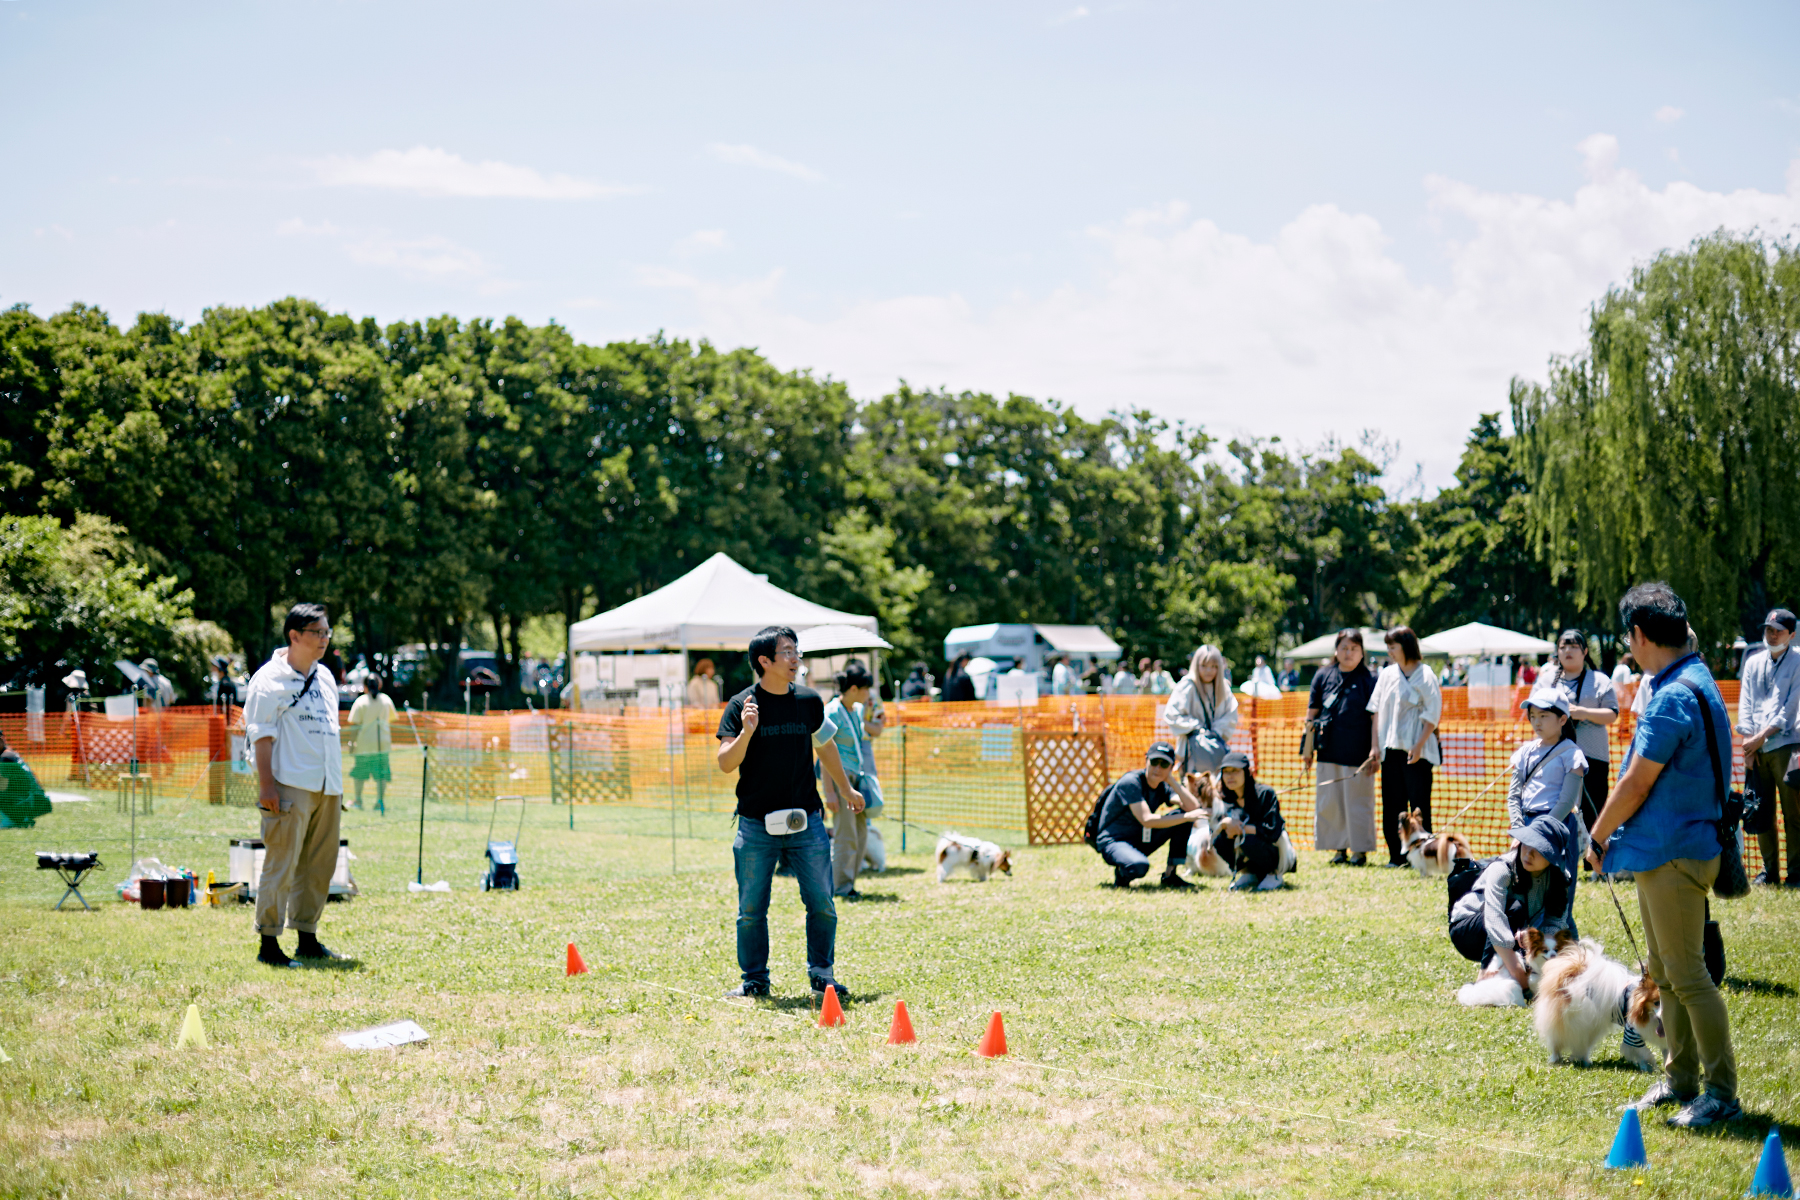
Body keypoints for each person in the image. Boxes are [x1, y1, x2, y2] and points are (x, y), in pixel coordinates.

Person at [1587, 582, 1739, 1128]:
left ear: (1640, 635)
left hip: (1675, 854)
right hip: (1670, 853)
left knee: (1689, 977)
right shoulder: (1693, 680)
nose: (1628, 648)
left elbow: (1634, 784)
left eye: (1628, 638)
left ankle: (1720, 1093)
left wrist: (1597, 835)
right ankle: (1680, 1081)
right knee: (1666, 976)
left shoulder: (1674, 693)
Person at [716, 625, 863, 1001]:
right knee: (751, 909)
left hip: (807, 821)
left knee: (822, 904)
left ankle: (822, 975)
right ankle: (754, 981)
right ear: (764, 661)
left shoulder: (810, 701)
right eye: (788, 652)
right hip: (755, 824)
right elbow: (725, 763)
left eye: (797, 651)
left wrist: (846, 789)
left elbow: (826, 747)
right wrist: (748, 732)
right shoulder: (741, 704)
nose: (796, 658)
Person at [241, 603, 345, 968]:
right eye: (317, 632)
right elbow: (261, 736)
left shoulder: (326, 677)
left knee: (319, 866)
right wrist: (267, 787)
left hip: (327, 786)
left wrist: (335, 784)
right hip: (288, 784)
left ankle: (308, 938)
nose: (324, 639)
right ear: (294, 635)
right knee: (281, 865)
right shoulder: (268, 679)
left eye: (327, 632)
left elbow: (329, 731)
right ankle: (269, 944)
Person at [1448, 815, 1572, 983]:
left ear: (1553, 856)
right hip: (1468, 930)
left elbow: (1555, 923)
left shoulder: (1560, 878)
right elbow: (1494, 918)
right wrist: (1517, 971)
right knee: (1516, 907)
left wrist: (1533, 938)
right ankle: (1485, 977)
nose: (1529, 852)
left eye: (1539, 848)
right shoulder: (1502, 869)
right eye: (1526, 843)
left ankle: (1505, 974)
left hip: (1509, 928)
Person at [1507, 688, 1589, 930]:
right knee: (1525, 898)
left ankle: (1571, 960)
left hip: (1559, 829)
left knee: (1559, 904)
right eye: (1533, 716)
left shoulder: (1572, 754)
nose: (1536, 722)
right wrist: (1520, 829)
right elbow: (1513, 796)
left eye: (1544, 716)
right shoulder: (1524, 752)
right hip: (1527, 828)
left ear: (1563, 719)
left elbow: (1566, 802)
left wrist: (1537, 835)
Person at [1366, 626, 1441, 868]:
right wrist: (1375, 746)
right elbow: (1375, 710)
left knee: (1419, 804)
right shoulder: (1387, 674)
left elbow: (1433, 714)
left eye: (1393, 646)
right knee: (1392, 804)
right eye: (1388, 646)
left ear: (1406, 646)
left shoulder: (1426, 674)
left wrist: (1418, 746)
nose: (1389, 650)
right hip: (1390, 749)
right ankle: (1396, 856)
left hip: (1418, 750)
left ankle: (1424, 855)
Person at [1736, 608, 1800, 887]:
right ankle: (1769, 872)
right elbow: (1745, 704)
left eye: (1778, 631)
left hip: (1788, 744)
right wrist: (1749, 746)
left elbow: (1791, 707)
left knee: (1793, 812)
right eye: (1768, 630)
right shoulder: (1752, 662)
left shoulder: (1798, 662)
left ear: (1792, 634)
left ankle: (1796, 873)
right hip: (1756, 747)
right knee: (1759, 811)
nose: (1772, 635)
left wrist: (1761, 737)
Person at [1305, 629, 1378, 866]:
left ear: (1361, 652)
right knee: (1331, 803)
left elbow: (1375, 718)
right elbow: (1311, 714)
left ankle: (1359, 852)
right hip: (1327, 751)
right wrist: (1307, 748)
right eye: (1344, 648)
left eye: (1354, 648)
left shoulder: (1369, 679)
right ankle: (1339, 850)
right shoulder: (1322, 676)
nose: (1348, 653)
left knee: (1358, 803)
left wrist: (1375, 750)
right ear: (1336, 649)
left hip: (1358, 754)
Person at [1091, 741, 1206, 888]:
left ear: (1171, 767)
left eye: (1164, 764)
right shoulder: (1131, 782)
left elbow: (1192, 807)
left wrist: (1171, 780)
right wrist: (1187, 817)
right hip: (1113, 841)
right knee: (1139, 866)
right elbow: (1146, 820)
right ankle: (1121, 875)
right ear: (1146, 761)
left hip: (1138, 837)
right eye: (1154, 762)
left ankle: (1170, 875)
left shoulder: (1162, 784)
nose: (1157, 768)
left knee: (1183, 816)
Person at [1543, 630, 1619, 842]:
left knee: (1594, 807)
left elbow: (1612, 714)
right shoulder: (1547, 680)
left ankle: (1595, 860)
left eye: (1574, 646)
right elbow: (1533, 713)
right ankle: (1557, 857)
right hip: (1555, 756)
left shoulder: (1600, 680)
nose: (1568, 651)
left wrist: (1582, 713)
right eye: (1563, 646)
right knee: (1554, 806)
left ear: (1585, 651)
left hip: (1593, 756)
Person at [820, 661, 884, 900]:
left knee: (860, 833)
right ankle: (840, 887)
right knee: (845, 834)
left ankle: (850, 883)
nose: (869, 694)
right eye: (866, 689)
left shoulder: (855, 711)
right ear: (855, 688)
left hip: (856, 777)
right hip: (840, 777)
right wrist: (830, 792)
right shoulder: (832, 711)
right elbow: (824, 751)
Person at [1211, 750, 1289, 890]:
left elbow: (1273, 831)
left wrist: (1242, 829)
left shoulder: (1266, 794)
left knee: (1248, 840)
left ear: (1248, 772)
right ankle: (1248, 873)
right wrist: (1225, 824)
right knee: (1219, 840)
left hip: (1274, 850)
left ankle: (1274, 874)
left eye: (1235, 771)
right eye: (1226, 772)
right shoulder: (1223, 799)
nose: (1230, 776)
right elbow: (1215, 828)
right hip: (1246, 845)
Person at [1165, 645, 1237, 784]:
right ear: (1196, 665)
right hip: (1190, 753)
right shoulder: (1186, 685)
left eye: (1214, 666)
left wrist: (1215, 731)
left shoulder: (1224, 687)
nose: (1208, 671)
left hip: (1215, 750)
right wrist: (1197, 727)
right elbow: (1172, 714)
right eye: (1204, 666)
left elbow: (1231, 715)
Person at [346, 674, 395, 811]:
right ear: (379, 685)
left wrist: (351, 743)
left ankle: (358, 800)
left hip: (364, 745)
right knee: (381, 774)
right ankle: (380, 801)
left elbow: (355, 725)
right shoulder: (386, 700)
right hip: (382, 745)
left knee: (360, 773)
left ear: (365, 686)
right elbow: (390, 719)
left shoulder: (360, 702)